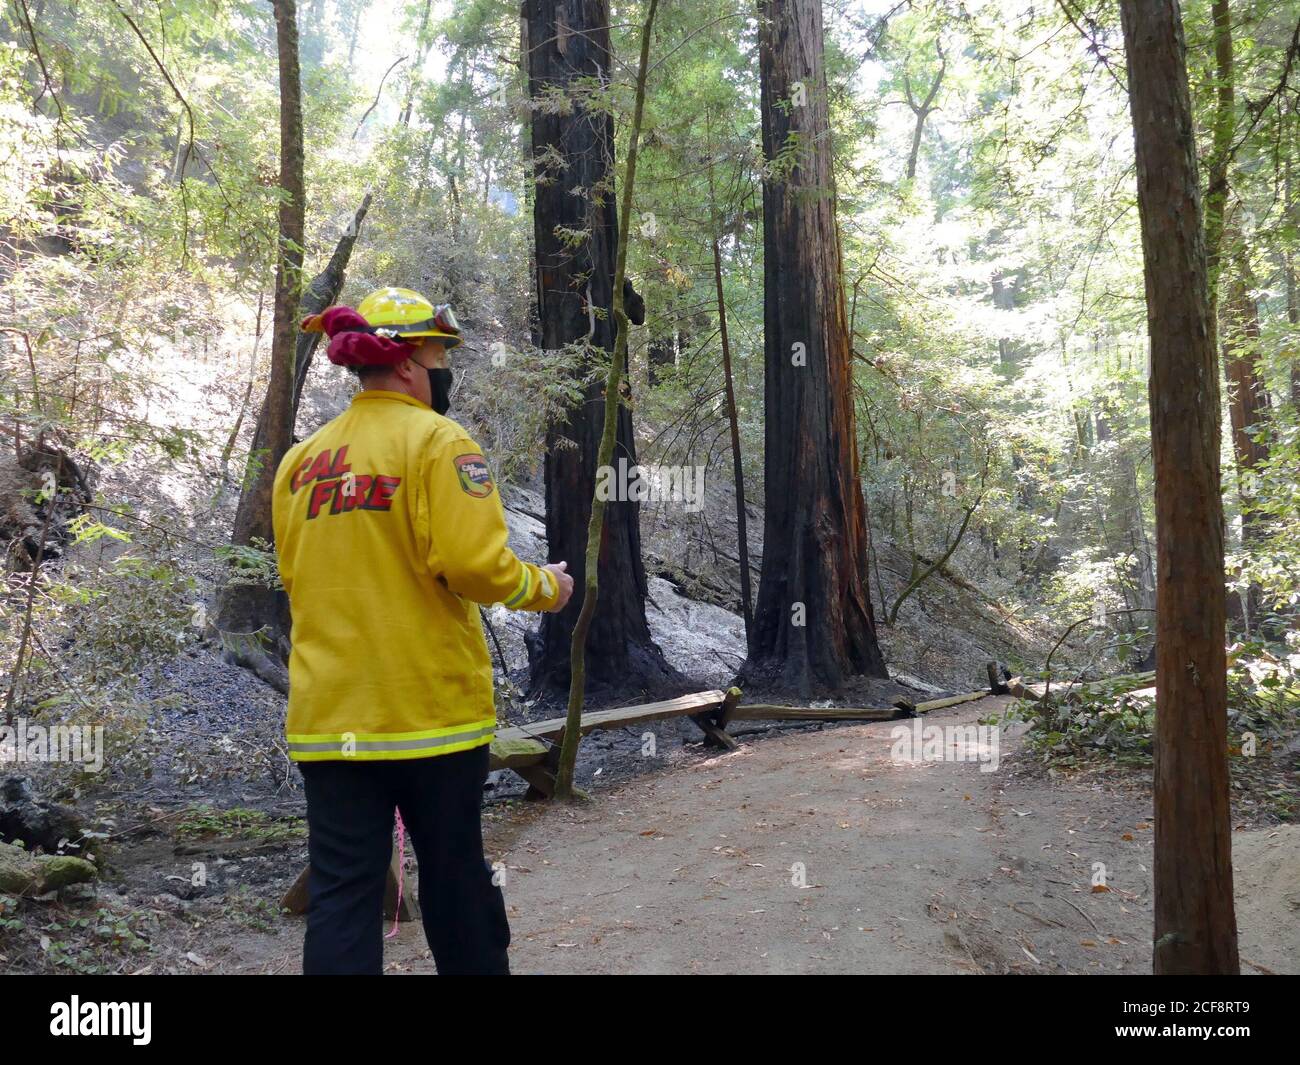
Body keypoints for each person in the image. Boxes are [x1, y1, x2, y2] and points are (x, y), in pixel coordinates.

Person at [273, 286, 573, 975]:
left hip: (330, 722)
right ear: (409, 363)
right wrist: (544, 587)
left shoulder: (301, 463)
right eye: (440, 355)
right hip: (428, 717)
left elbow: (295, 578)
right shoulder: (440, 443)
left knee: (344, 894)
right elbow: (475, 567)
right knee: (455, 874)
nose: (445, 370)